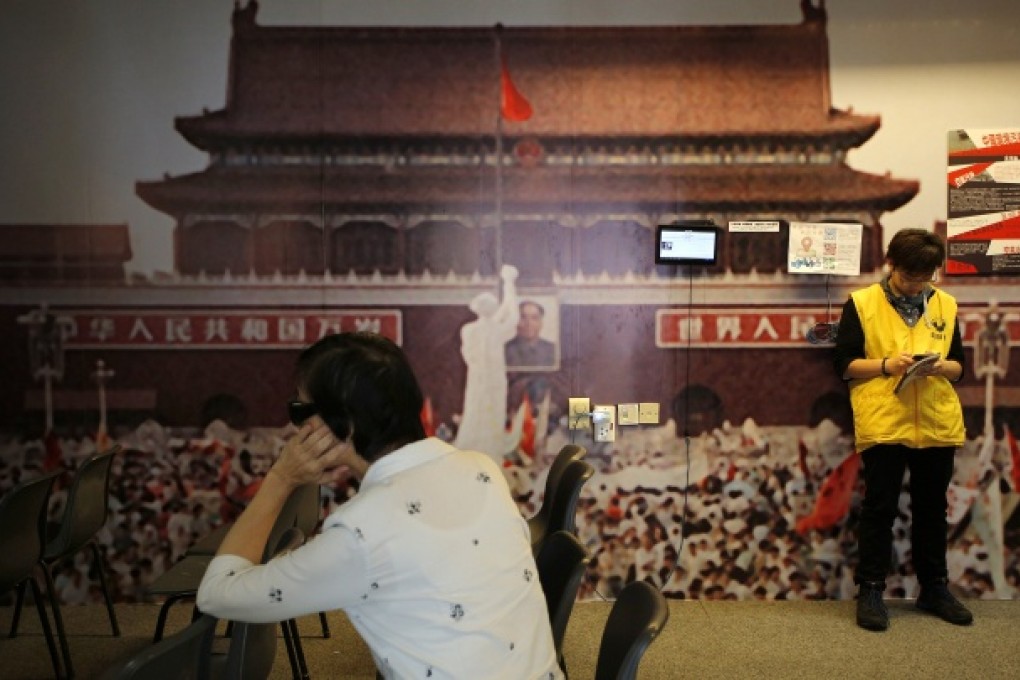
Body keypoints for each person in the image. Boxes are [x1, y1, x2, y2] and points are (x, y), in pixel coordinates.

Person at [197, 332, 562, 678]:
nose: (296, 426)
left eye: (299, 410)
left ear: (342, 424)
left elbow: (217, 594)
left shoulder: (359, 533)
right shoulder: (482, 469)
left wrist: (280, 479)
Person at [833, 228, 972, 631]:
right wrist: (887, 365)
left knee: (933, 510)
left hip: (935, 418)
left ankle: (935, 587)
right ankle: (872, 588)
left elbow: (960, 365)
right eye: (910, 277)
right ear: (891, 263)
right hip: (885, 418)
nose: (917, 286)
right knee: (880, 508)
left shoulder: (945, 303)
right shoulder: (862, 303)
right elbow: (844, 364)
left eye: (925, 278)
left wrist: (940, 366)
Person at [505, 300, 557, 369]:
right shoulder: (504, 350)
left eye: (534, 318)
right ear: (515, 322)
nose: (529, 323)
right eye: (523, 317)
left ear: (541, 323)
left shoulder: (553, 350)